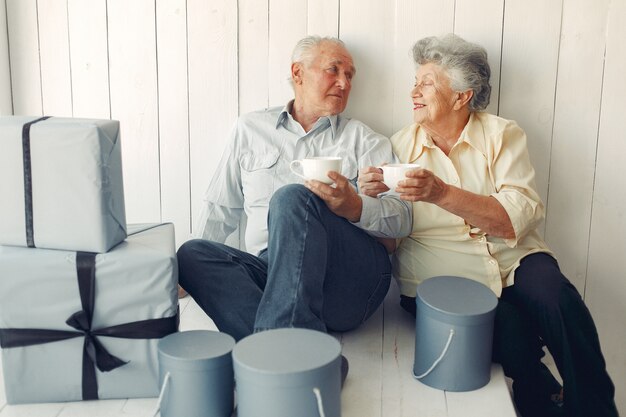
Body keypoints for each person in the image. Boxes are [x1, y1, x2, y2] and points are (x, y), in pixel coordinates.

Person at [358, 34, 618, 417]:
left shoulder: (501, 134)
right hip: (443, 273)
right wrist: (369, 200)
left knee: (557, 296)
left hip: (513, 258)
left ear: (462, 96)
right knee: (513, 334)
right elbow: (391, 238)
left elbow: (516, 215)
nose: (413, 91)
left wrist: (441, 192)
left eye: (426, 82)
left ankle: (597, 408)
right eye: (415, 81)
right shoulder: (397, 148)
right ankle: (544, 396)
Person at [177, 36, 412, 374]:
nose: (344, 82)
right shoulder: (250, 129)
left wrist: (354, 205)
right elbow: (221, 205)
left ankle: (281, 357)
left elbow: (403, 219)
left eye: (350, 75)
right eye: (334, 70)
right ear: (298, 72)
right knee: (191, 254)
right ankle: (301, 361)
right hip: (274, 274)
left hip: (347, 283)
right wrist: (186, 279)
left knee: (292, 197)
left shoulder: (365, 139)